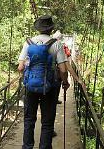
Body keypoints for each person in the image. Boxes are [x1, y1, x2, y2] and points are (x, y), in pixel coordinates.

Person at [18, 15, 69, 149]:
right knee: (47, 122)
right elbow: (63, 70)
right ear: (51, 29)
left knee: (29, 120)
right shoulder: (56, 43)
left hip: (31, 87)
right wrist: (65, 83)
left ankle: (27, 146)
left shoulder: (29, 42)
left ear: (38, 28)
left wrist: (31, 75)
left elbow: (20, 67)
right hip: (49, 87)